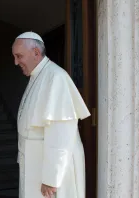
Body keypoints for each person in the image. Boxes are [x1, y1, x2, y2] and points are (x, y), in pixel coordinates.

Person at [12, 32, 90, 198]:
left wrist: (51, 178)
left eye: (19, 56)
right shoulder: (37, 76)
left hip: (52, 173)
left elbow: (61, 133)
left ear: (36, 53)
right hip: (36, 163)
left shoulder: (56, 77)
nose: (16, 62)